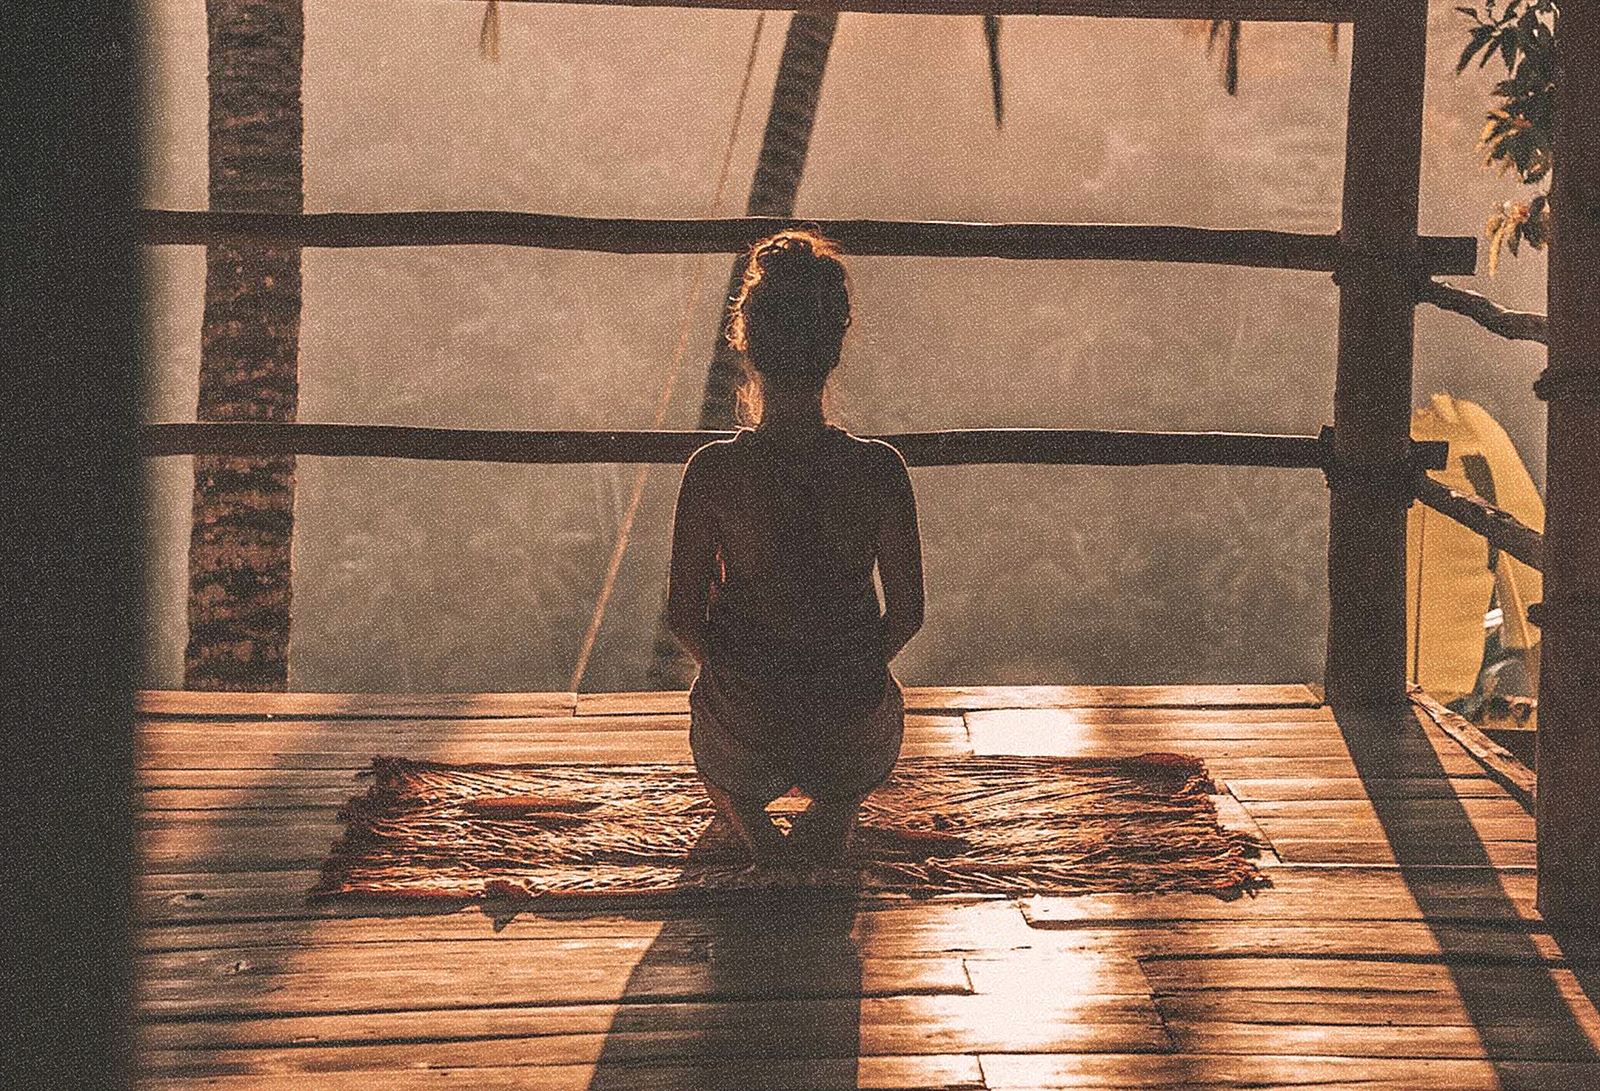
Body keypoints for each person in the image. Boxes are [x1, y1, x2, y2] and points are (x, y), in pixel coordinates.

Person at [665, 229, 925, 868]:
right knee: (868, 716)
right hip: (847, 729)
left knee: (723, 729)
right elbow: (908, 614)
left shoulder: (713, 473)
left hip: (747, 731)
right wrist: (845, 669)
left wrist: (747, 675)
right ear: (834, 346)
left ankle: (749, 816)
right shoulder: (879, 470)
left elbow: (683, 617)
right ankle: (837, 806)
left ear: (746, 344)